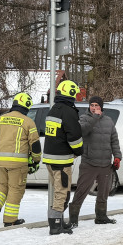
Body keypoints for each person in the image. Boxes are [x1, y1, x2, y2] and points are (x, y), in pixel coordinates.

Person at [0, 92, 41, 227]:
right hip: (18, 164)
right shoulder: (28, 122)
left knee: (1, 186)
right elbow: (35, 144)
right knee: (16, 189)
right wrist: (36, 160)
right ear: (26, 106)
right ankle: (10, 220)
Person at [69, 96, 122, 227]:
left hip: (105, 164)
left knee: (104, 192)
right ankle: (73, 219)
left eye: (96, 105)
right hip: (89, 163)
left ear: (101, 107)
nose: (94, 108)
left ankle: (101, 216)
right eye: (92, 105)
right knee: (82, 191)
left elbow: (114, 140)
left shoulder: (109, 121)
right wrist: (95, 117)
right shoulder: (84, 118)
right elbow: (82, 131)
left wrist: (117, 156)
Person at [42, 79, 83, 235]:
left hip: (50, 159)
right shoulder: (69, 111)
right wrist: (79, 151)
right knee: (62, 192)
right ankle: (56, 225)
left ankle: (58, 221)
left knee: (58, 191)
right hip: (61, 160)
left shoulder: (54, 109)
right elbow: (74, 137)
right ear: (71, 93)